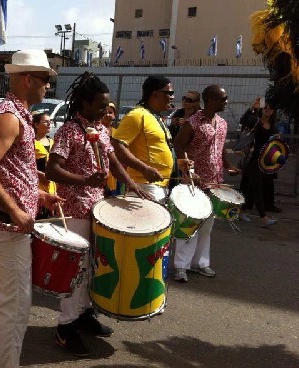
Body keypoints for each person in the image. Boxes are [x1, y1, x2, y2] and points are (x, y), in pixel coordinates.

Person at [46, 73, 148, 357]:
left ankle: (83, 315)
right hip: (75, 208)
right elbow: (53, 169)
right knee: (75, 270)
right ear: (84, 103)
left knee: (94, 266)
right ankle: (64, 326)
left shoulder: (102, 130)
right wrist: (85, 180)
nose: (106, 112)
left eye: (107, 107)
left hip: (98, 208)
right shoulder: (69, 131)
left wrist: (134, 185)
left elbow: (114, 163)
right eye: (101, 107)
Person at [0, 49, 62, 368]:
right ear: (27, 79)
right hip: (7, 231)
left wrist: (37, 196)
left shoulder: (19, 115)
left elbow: (12, 172)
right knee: (13, 316)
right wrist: (15, 210)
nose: (48, 86)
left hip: (5, 229)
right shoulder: (10, 116)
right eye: (44, 80)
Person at [172, 85, 240, 283]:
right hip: (193, 181)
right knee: (189, 223)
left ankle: (200, 263)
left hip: (215, 181)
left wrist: (228, 166)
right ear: (209, 100)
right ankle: (181, 267)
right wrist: (188, 170)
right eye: (222, 99)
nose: (226, 102)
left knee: (207, 226)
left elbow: (219, 150)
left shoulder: (222, 123)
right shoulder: (192, 122)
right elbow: (178, 145)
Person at [112, 76, 179, 203]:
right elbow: (117, 146)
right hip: (144, 186)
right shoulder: (137, 115)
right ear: (155, 94)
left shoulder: (156, 117)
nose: (172, 97)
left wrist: (179, 164)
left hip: (160, 186)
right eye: (169, 93)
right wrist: (144, 169)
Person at [239, 102, 279, 227]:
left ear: (273, 112)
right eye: (265, 107)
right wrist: (252, 107)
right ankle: (264, 218)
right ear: (261, 110)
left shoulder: (272, 125)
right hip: (253, 158)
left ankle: (241, 211)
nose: (267, 109)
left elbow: (274, 142)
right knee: (257, 188)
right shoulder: (255, 122)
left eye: (270, 108)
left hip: (265, 160)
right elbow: (243, 120)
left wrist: (276, 138)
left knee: (252, 188)